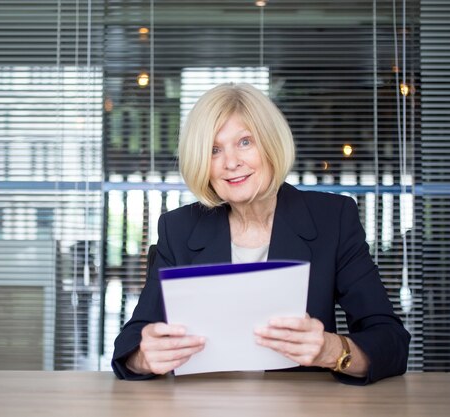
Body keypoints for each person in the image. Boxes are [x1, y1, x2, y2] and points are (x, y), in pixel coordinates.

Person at [112, 82, 410, 385]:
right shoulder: (179, 228)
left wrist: (331, 350)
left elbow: (391, 341)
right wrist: (145, 356)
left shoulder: (332, 219)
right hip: (203, 404)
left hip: (302, 406)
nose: (230, 163)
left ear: (270, 144)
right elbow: (132, 343)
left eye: (244, 142)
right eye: (214, 150)